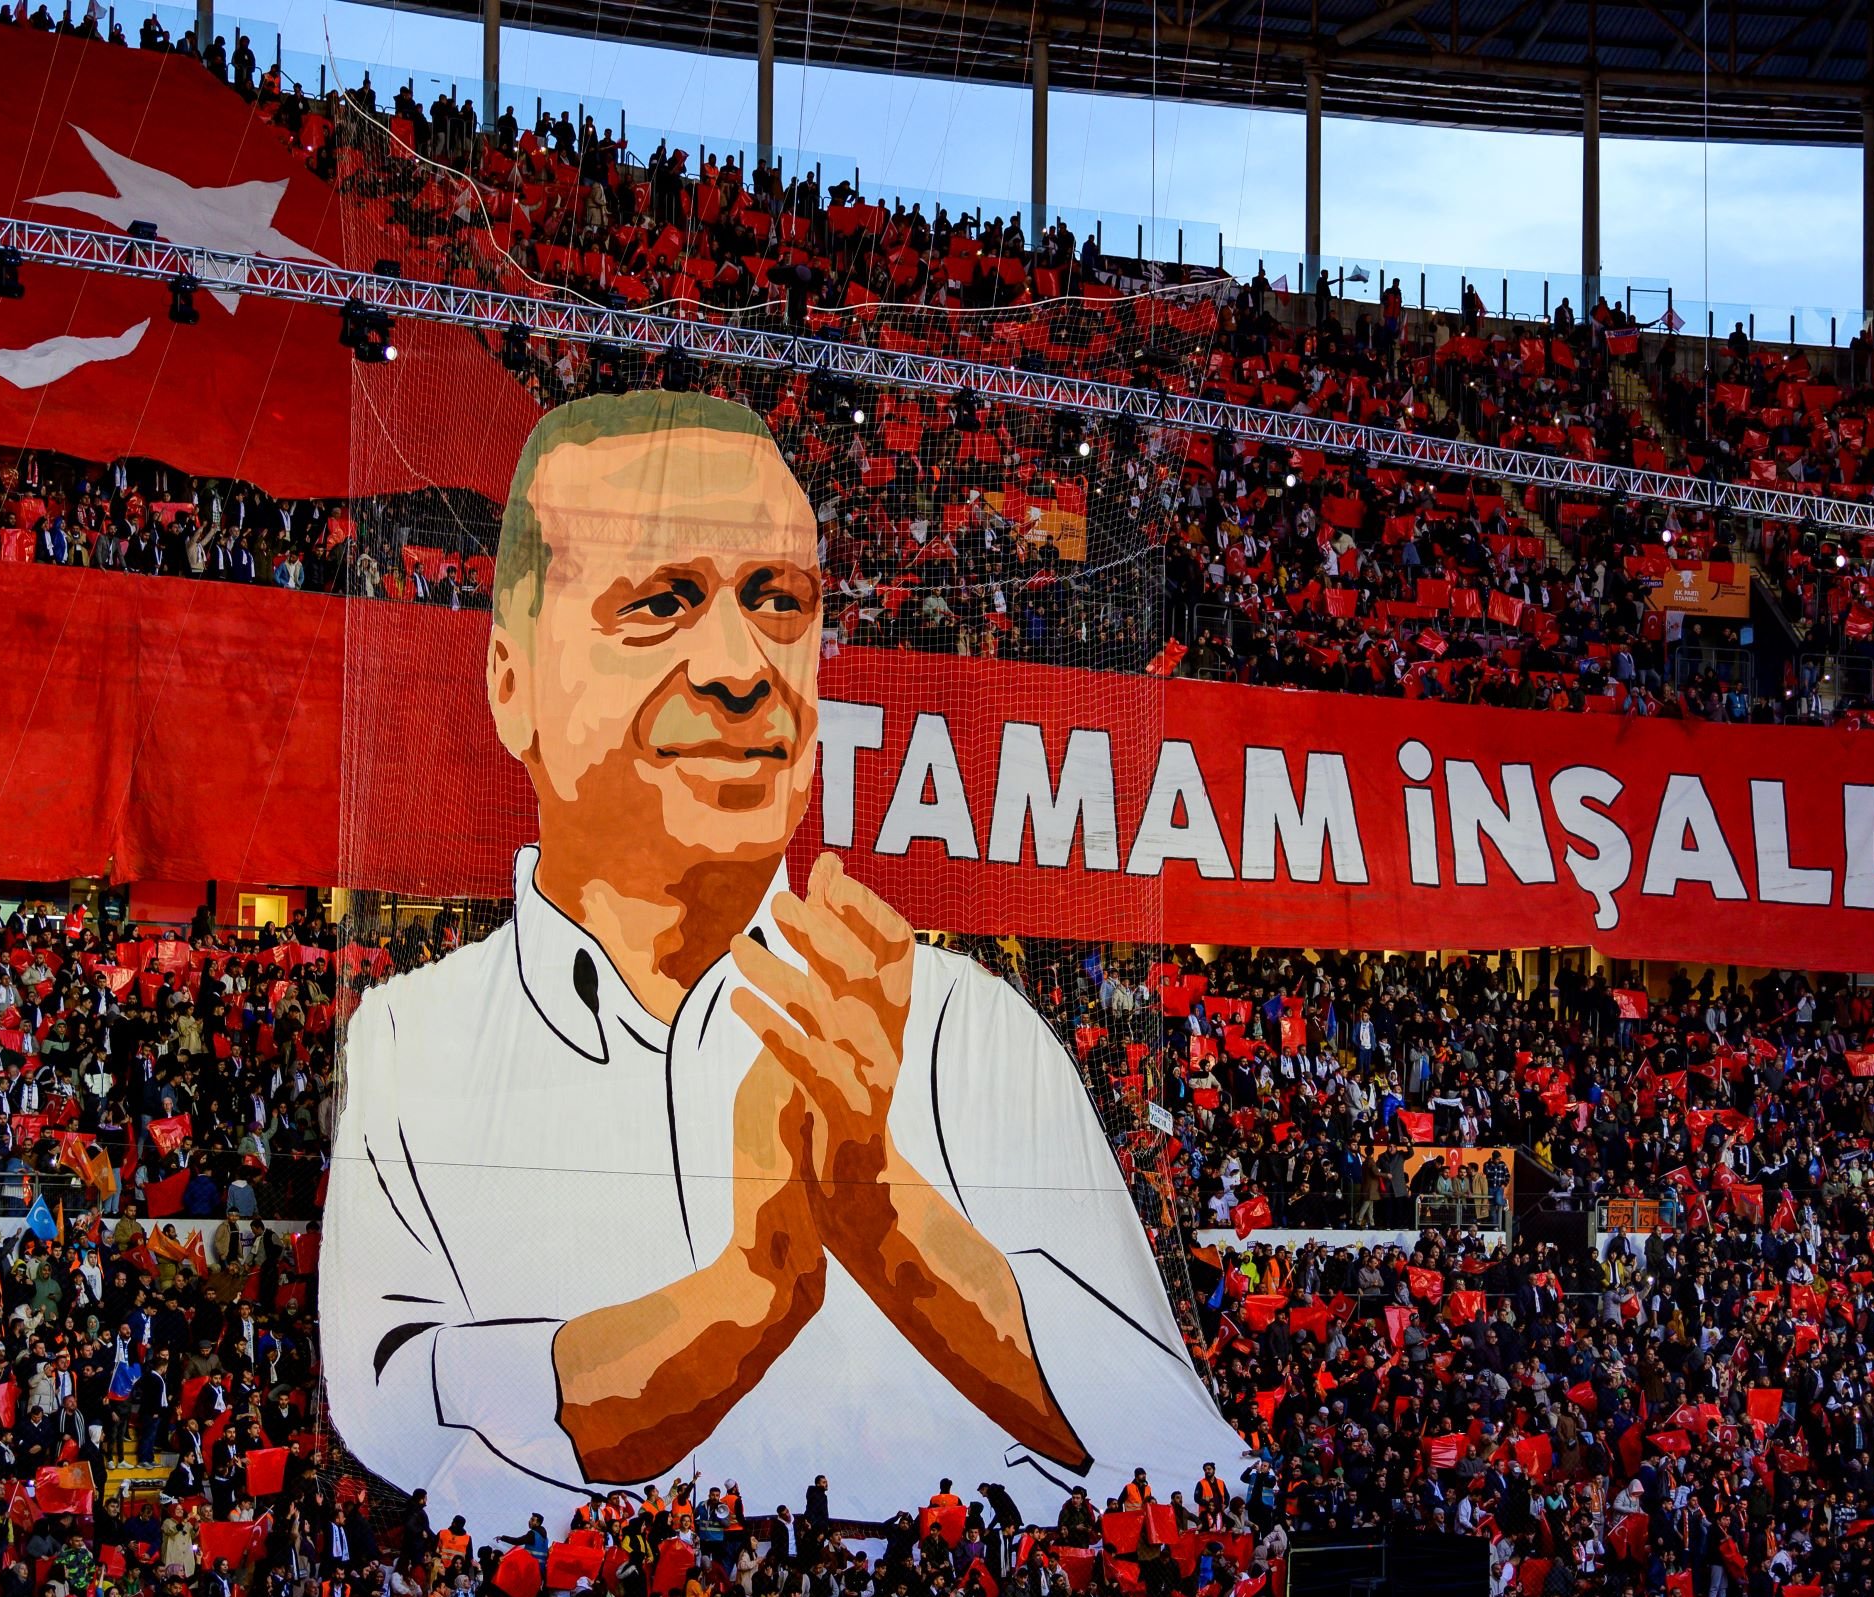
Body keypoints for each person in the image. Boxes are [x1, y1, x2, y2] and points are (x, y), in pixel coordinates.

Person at [320, 391, 1243, 1529]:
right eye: (660, 602)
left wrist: (888, 1217)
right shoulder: (415, 1042)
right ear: (511, 683)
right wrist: (738, 1304)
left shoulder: (963, 1033)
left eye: (779, 601)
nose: (741, 665)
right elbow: (390, 1415)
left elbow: (1183, 1451)